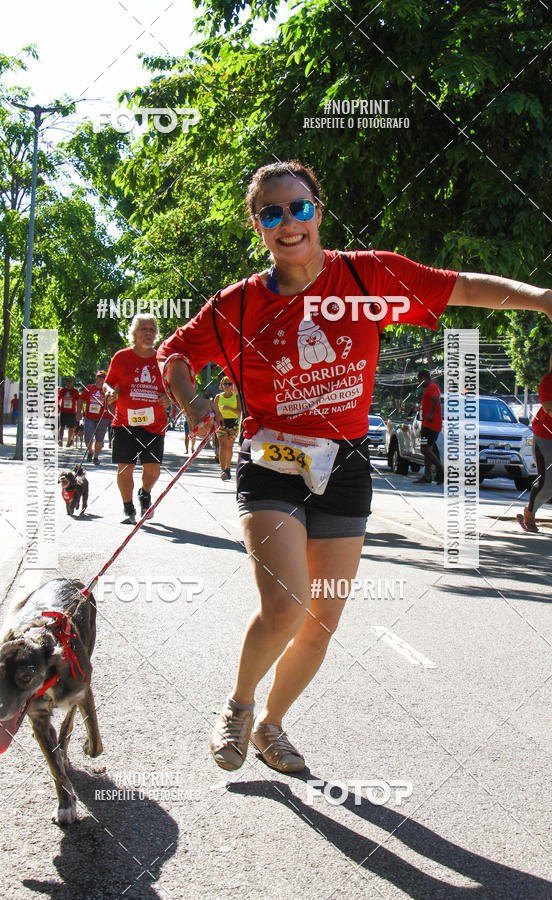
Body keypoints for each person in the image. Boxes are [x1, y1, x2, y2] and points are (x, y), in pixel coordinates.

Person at [156, 160, 552, 774]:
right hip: (272, 461)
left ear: (318, 209)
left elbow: (463, 287)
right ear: (257, 225)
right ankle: (237, 704)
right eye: (273, 213)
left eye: (300, 207)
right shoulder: (238, 306)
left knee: (323, 617)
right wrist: (192, 401)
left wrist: (544, 301)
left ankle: (271, 725)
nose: (289, 222)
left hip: (344, 463)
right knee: (287, 604)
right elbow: (174, 353)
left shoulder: (370, 278)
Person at [104, 315, 170, 524]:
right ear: (134, 333)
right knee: (125, 467)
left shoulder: (163, 360)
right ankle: (128, 508)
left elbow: (174, 388)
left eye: (152, 329)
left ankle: (145, 493)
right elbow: (107, 383)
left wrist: (169, 398)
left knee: (153, 469)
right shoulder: (121, 357)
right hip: (125, 423)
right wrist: (109, 392)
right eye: (143, 329)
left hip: (154, 424)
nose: (148, 332)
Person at [517, 356, 552, 533]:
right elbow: (549, 408)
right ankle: (529, 514)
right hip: (546, 438)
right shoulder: (548, 381)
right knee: (548, 484)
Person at [414, 369, 444, 485]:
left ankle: (441, 470)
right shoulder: (430, 388)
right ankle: (427, 476)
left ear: (424, 378)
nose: (418, 382)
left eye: (419, 379)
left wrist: (431, 414)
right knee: (428, 450)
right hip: (428, 424)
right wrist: (418, 408)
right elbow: (430, 402)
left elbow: (436, 399)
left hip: (431, 425)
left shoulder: (432, 387)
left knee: (425, 449)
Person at [80, 371, 113, 465]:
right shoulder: (89, 388)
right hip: (89, 417)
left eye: (103, 377)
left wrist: (113, 417)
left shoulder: (108, 390)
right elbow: (80, 400)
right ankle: (90, 451)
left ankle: (96, 457)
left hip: (103, 417)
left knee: (99, 438)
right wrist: (80, 412)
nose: (101, 379)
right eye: (99, 377)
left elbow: (112, 404)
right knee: (88, 437)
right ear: (96, 377)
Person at [215, 376, 242, 480]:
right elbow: (214, 411)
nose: (227, 386)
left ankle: (228, 467)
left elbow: (239, 412)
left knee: (229, 447)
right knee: (222, 446)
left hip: (233, 423)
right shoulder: (218, 397)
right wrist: (218, 417)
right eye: (225, 384)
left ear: (232, 386)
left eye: (229, 384)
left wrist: (228, 408)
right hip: (221, 423)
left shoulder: (236, 397)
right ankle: (222, 470)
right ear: (222, 385)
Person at [57, 377, 80, 447]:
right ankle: (60, 440)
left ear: (72, 382)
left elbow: (79, 401)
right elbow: (58, 398)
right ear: (65, 382)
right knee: (62, 426)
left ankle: (68, 441)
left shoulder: (75, 391)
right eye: (67, 381)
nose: (69, 383)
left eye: (70, 381)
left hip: (72, 412)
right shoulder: (62, 390)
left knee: (71, 427)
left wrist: (80, 411)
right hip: (63, 411)